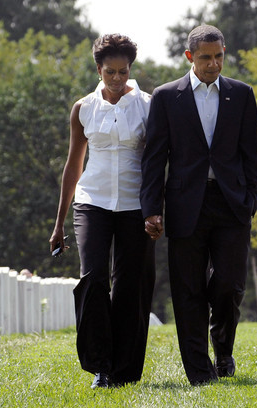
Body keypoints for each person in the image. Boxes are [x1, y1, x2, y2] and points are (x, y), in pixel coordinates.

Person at [140, 25, 257, 385]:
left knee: (229, 285)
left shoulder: (242, 95)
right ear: (190, 57)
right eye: (206, 57)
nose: (214, 64)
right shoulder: (165, 97)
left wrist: (250, 199)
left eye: (219, 56)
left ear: (225, 52)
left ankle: (223, 352)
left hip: (231, 204)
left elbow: (252, 154)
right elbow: (154, 158)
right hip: (183, 204)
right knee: (188, 290)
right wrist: (151, 208)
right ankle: (199, 371)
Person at [49, 34, 155, 389]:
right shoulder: (83, 108)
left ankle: (124, 370)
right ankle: (100, 367)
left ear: (130, 69)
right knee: (93, 279)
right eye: (110, 72)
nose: (116, 79)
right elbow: (73, 163)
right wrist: (59, 222)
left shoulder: (148, 106)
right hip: (91, 202)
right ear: (99, 69)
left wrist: (156, 210)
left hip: (134, 206)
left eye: (123, 71)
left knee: (129, 286)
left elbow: (157, 163)